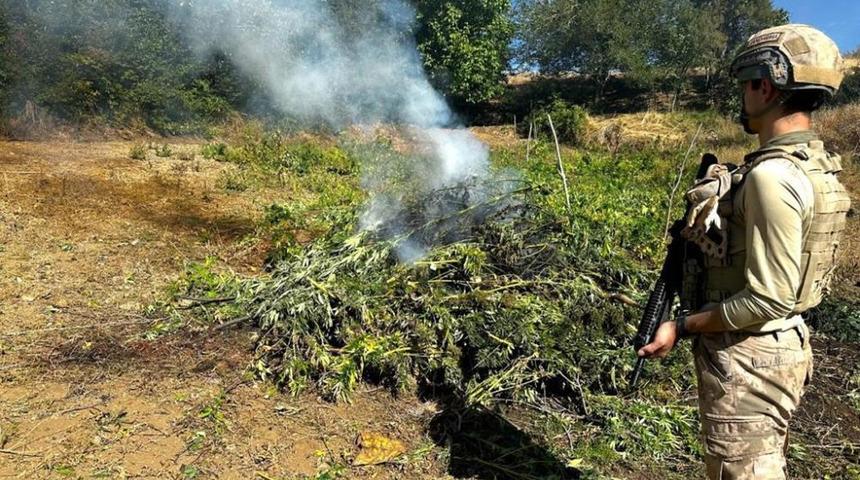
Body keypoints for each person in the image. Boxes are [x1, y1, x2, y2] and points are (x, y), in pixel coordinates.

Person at [637, 24, 851, 479]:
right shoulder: (812, 165)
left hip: (751, 356)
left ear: (765, 85)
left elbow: (768, 298)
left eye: (744, 85)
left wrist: (682, 325)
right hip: (775, 345)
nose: (742, 97)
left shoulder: (772, 177)